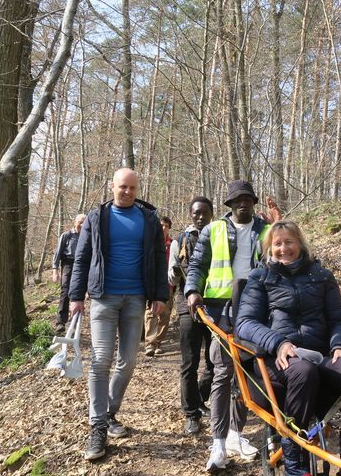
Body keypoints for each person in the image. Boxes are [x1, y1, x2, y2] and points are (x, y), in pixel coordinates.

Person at [236, 220, 341, 476]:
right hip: (278, 358)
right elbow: (245, 323)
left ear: (300, 244)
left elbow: (338, 319)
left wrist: (340, 345)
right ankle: (295, 465)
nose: (283, 248)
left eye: (289, 242)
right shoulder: (260, 277)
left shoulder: (322, 276)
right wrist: (278, 342)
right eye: (277, 244)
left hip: (322, 354)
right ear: (269, 248)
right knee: (303, 371)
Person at [69, 168, 168, 461]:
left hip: (136, 298)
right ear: (111, 186)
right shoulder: (97, 218)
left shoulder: (148, 219)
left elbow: (158, 259)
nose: (126, 192)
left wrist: (160, 295)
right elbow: (82, 257)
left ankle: (109, 411)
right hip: (103, 298)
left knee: (128, 361)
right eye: (122, 187)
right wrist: (75, 297)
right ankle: (98, 427)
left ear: (137, 190)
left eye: (132, 188)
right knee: (100, 360)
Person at [184, 180, 271, 471]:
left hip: (257, 308)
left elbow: (286, 260)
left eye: (247, 199)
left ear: (253, 202)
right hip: (221, 308)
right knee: (223, 370)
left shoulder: (267, 230)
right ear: (230, 205)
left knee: (250, 370)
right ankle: (218, 442)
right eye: (237, 200)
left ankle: (236, 432)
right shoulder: (213, 230)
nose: (243, 204)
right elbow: (197, 265)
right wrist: (192, 291)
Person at [168, 197, 215, 434]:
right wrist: (176, 271)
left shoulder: (219, 236)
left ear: (211, 214)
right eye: (196, 213)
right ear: (190, 214)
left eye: (204, 213)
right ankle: (191, 413)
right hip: (187, 307)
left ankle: (200, 399)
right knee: (189, 361)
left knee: (215, 361)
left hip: (215, 306)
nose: (200, 217)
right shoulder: (181, 240)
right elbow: (171, 278)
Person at [51, 213, 86, 334]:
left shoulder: (87, 236)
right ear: (75, 222)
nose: (82, 224)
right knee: (65, 291)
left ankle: (75, 321)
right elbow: (57, 254)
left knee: (78, 293)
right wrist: (55, 271)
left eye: (84, 222)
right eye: (80, 222)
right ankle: (61, 322)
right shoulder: (67, 235)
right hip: (68, 263)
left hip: (82, 264)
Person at [144, 216, 174, 356]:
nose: (164, 228)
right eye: (161, 225)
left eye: (166, 226)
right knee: (151, 312)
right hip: (152, 282)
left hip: (168, 284)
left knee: (165, 314)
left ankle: (158, 342)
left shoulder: (173, 244)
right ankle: (150, 343)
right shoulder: (150, 241)